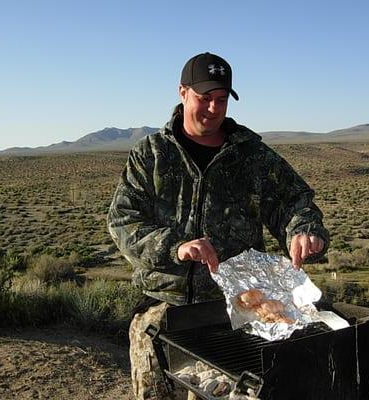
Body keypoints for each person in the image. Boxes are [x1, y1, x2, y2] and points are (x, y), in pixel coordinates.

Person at [107, 52, 330, 400]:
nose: (213, 109)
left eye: (221, 100)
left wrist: (304, 229)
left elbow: (294, 201)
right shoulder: (150, 154)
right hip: (162, 308)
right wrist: (175, 247)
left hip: (235, 313)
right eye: (204, 98)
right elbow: (122, 221)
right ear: (182, 93)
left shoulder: (252, 156)